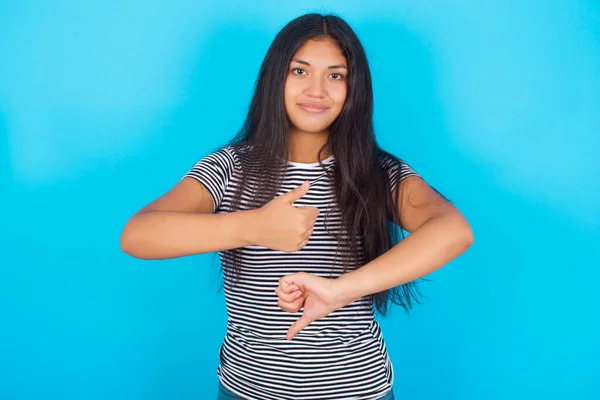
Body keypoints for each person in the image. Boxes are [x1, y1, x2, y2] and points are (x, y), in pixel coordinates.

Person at [120, 13, 474, 400]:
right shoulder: (230, 168)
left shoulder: (378, 173)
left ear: (354, 88)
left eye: (335, 75)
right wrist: (253, 226)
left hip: (358, 391)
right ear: (276, 79)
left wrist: (339, 291)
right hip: (246, 391)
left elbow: (453, 230)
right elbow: (138, 235)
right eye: (300, 71)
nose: (317, 90)